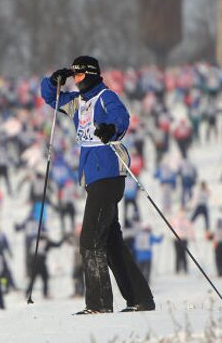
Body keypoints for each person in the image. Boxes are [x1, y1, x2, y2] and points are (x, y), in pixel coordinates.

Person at [41, 56, 154, 314]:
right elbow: (50, 98)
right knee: (110, 240)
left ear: (90, 74)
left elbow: (121, 117)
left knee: (90, 239)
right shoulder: (76, 102)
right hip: (93, 177)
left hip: (109, 173)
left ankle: (99, 305)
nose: (76, 80)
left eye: (79, 75)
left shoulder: (105, 96)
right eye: (74, 76)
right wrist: (53, 82)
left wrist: (110, 129)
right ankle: (140, 299)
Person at [170, 208, 194, 274]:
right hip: (177, 239)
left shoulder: (185, 220)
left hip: (183, 239)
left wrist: (192, 236)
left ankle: (184, 269)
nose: (181, 214)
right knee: (178, 254)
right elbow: (171, 225)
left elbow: (190, 228)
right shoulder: (175, 219)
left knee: (182, 254)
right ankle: (178, 269)